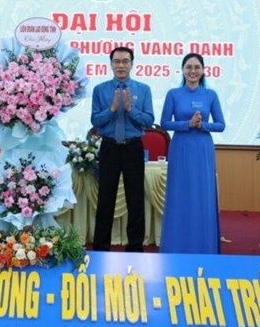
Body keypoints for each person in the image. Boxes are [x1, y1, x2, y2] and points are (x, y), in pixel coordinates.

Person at [160, 52, 225, 254]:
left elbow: (221, 125)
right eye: (189, 67)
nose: (193, 71)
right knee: (179, 195)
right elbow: (164, 123)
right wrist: (187, 124)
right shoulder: (173, 94)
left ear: (203, 70)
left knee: (202, 195)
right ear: (183, 70)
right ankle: (176, 245)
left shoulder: (210, 95)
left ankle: (204, 246)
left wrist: (202, 125)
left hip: (203, 148)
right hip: (180, 148)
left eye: (197, 67)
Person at [91, 46, 154, 252]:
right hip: (109, 148)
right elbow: (96, 121)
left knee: (135, 201)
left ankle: (135, 249)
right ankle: (101, 248)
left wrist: (130, 109)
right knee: (105, 201)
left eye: (125, 61)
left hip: (133, 148)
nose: (121, 65)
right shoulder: (100, 90)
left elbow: (148, 120)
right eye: (117, 61)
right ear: (111, 64)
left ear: (132, 64)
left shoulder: (143, 89)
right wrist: (111, 109)